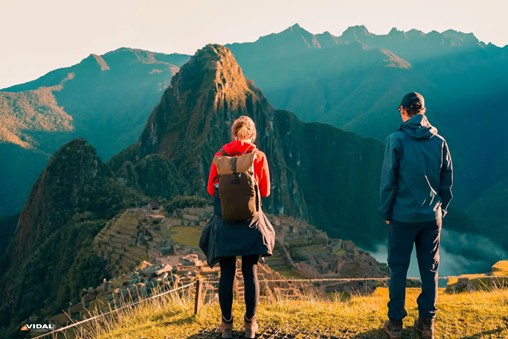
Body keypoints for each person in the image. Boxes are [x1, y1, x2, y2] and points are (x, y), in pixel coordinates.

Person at [379, 92, 453, 339]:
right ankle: (427, 323)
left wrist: (387, 211)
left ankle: (396, 324)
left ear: (403, 110)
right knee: (430, 269)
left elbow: (388, 181)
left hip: (402, 216)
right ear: (422, 111)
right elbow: (446, 181)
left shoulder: (396, 140)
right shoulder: (439, 141)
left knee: (398, 268)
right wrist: (441, 210)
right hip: (431, 217)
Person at [202, 115, 274, 339]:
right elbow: (265, 191)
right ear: (252, 135)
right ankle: (250, 324)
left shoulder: (219, 156)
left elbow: (211, 190)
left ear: (233, 134)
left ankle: (226, 326)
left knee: (227, 274)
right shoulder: (258, 157)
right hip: (250, 224)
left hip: (224, 224)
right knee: (250, 272)